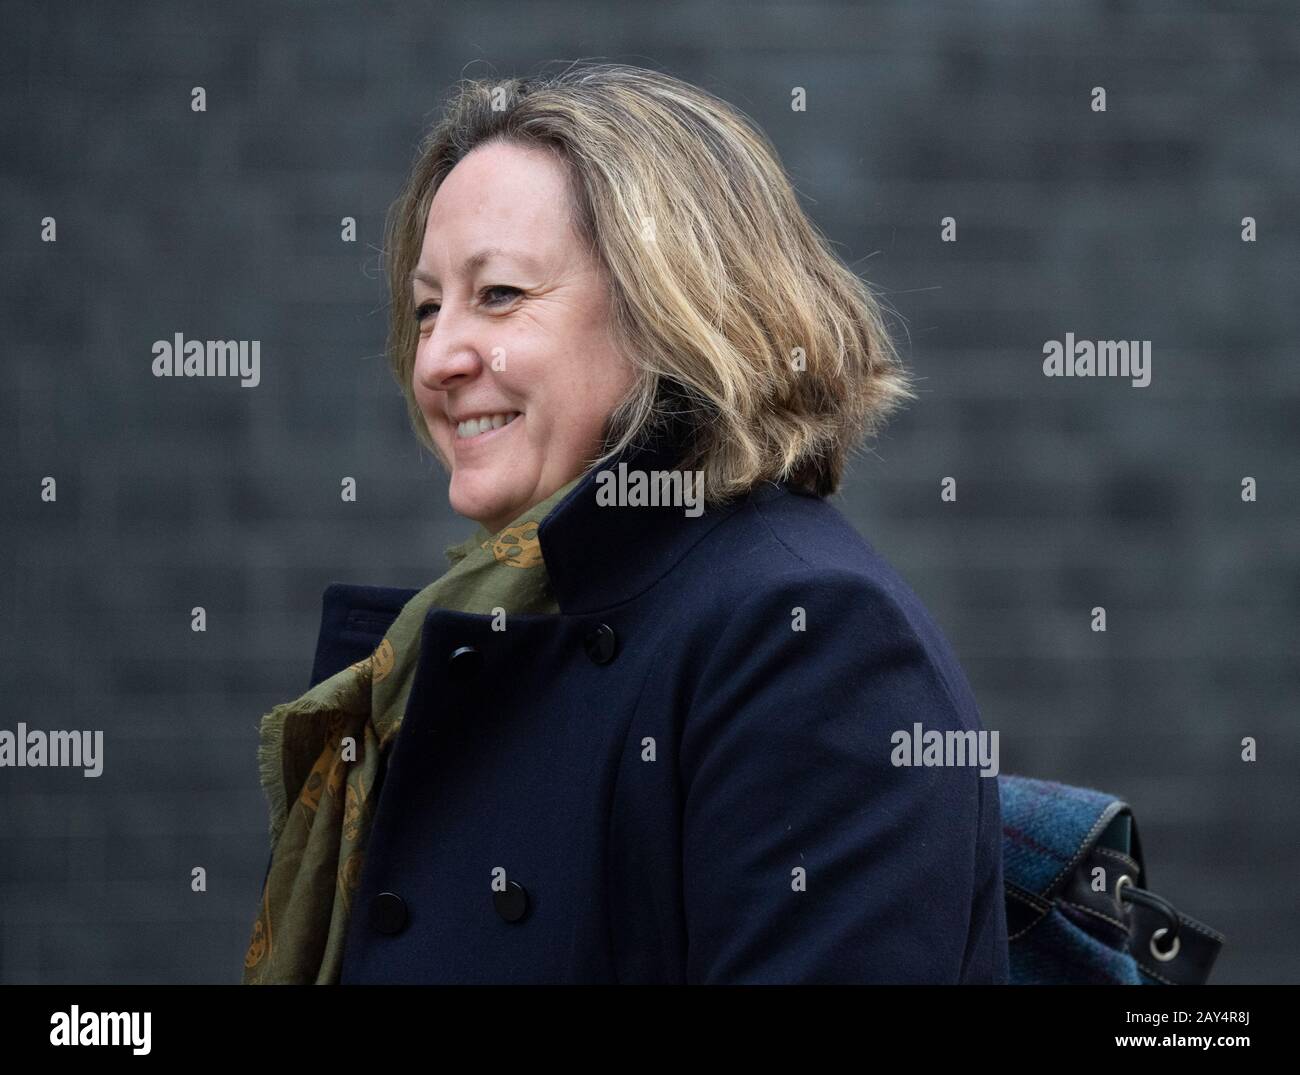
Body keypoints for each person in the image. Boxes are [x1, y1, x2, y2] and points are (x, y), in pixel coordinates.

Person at [242, 61, 1008, 984]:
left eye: (499, 295)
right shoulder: (506, 619)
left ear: (671, 307)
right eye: (427, 307)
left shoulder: (808, 639)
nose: (437, 356)